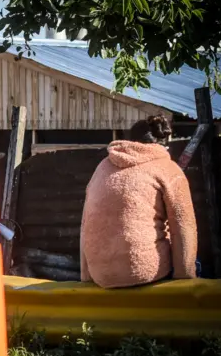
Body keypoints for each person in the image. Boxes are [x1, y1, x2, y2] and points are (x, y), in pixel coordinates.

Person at [80, 115, 198, 288]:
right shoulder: (167, 168)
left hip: (100, 275)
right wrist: (184, 277)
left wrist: (87, 276)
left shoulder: (102, 167)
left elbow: (85, 223)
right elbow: (184, 226)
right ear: (163, 143)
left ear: (129, 141)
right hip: (145, 270)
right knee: (196, 262)